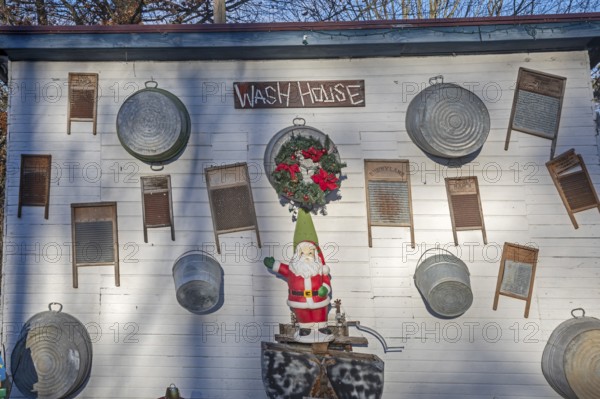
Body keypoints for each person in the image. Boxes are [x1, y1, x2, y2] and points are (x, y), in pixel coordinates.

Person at [264, 240, 334, 343]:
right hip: (299, 300)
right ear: (297, 255)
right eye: (302, 253)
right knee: (303, 314)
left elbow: (326, 281)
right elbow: (283, 269)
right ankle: (305, 328)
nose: (306, 256)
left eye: (310, 253)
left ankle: (321, 327)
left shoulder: (320, 269)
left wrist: (325, 288)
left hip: (318, 299)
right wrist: (274, 264)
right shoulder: (293, 269)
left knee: (320, 313)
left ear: (314, 254)